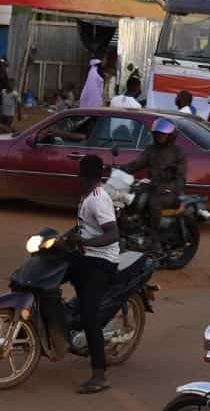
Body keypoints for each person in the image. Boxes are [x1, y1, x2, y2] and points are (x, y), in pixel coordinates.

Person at [63, 155, 120, 394]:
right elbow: (82, 225)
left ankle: (99, 374)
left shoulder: (98, 199)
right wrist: (61, 239)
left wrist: (85, 241)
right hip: (87, 256)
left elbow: (112, 233)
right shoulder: (88, 195)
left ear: (82, 175)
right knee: (54, 269)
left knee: (90, 316)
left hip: (102, 262)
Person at [123, 118, 186, 253]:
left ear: (170, 136)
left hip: (171, 190)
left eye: (162, 134)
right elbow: (137, 164)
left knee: (154, 202)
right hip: (153, 186)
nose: (159, 136)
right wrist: (120, 168)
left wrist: (174, 190)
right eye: (157, 133)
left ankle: (155, 240)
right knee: (131, 196)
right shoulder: (151, 150)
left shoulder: (178, 152)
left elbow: (181, 176)